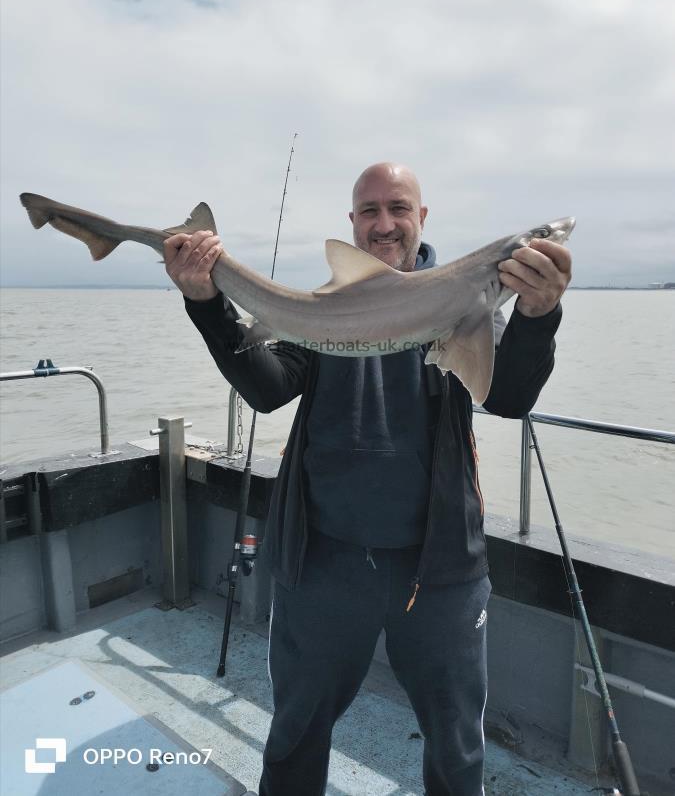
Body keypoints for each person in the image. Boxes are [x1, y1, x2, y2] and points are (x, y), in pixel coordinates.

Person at [163, 163, 572, 796]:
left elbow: (511, 397)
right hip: (323, 562)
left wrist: (539, 315)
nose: (384, 224)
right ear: (351, 225)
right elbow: (266, 389)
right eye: (369, 211)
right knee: (296, 733)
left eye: (398, 208)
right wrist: (207, 303)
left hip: (438, 571)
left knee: (458, 744)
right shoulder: (326, 309)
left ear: (423, 217)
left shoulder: (467, 300)